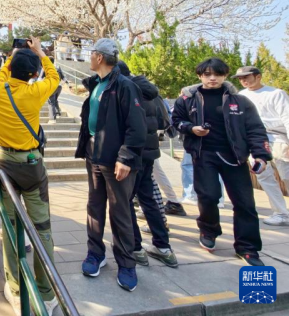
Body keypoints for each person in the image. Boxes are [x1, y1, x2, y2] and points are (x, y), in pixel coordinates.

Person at [172, 58, 271, 266]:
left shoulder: (240, 101)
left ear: (225, 76)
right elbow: (176, 122)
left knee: (245, 203)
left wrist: (261, 155)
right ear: (200, 76)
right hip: (203, 154)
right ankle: (209, 230)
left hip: (235, 157)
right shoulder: (187, 99)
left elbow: (255, 128)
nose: (212, 78)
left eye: (217, 74)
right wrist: (192, 129)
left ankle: (248, 248)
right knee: (208, 196)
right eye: (207, 74)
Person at [0, 36, 60, 315]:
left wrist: (15, 54)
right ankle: (46, 293)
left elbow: (4, 70)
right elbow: (54, 76)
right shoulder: (36, 91)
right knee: (42, 229)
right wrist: (40, 52)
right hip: (31, 165)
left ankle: (16, 288)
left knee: (10, 227)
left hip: (4, 163)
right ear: (33, 74)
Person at [75, 39, 146, 292]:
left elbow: (137, 126)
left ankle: (126, 264)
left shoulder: (124, 85)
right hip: (94, 154)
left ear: (99, 57)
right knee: (94, 207)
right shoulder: (97, 83)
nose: (89, 58)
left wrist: (125, 157)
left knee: (120, 212)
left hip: (117, 159)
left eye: (91, 54)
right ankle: (95, 254)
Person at [117, 62, 178, 268]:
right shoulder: (149, 91)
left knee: (126, 200)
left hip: (131, 154)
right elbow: (161, 120)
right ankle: (163, 247)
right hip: (150, 152)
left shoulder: (126, 90)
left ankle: (136, 248)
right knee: (148, 199)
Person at [235, 65, 289, 226]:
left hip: (278, 137)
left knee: (286, 175)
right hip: (254, 140)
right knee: (263, 176)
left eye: (246, 77)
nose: (243, 80)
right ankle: (281, 212)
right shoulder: (240, 96)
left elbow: (287, 117)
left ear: (258, 76)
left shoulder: (276, 93)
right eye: (240, 78)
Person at [47, 56, 70, 122]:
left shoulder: (47, 68)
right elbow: (64, 78)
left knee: (51, 102)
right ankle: (58, 113)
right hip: (59, 87)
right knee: (55, 100)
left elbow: (40, 78)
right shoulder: (58, 68)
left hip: (52, 87)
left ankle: (52, 119)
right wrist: (66, 84)